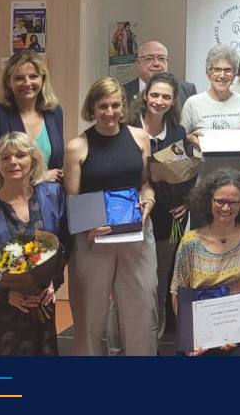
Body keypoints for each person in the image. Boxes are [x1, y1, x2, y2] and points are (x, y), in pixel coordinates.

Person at [64, 78, 157, 356]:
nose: (109, 112)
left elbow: (146, 183)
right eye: (103, 106)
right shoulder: (77, 147)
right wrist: (87, 225)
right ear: (92, 107)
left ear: (123, 106)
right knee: (89, 313)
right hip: (94, 237)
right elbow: (72, 197)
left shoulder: (140, 137)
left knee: (140, 308)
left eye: (115, 105)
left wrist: (149, 200)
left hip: (136, 233)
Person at [0, 133, 70, 356]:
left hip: (39, 308)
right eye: (5, 157)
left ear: (33, 160)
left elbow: (64, 245)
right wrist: (5, 294)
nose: (13, 162)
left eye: (20, 155)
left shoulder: (52, 197)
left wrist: (51, 283)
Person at [171, 168, 240, 356]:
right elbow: (178, 294)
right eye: (220, 201)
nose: (226, 208)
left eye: (233, 202)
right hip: (201, 330)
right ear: (209, 200)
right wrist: (192, 335)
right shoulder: (190, 242)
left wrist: (236, 329)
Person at [127, 72, 195, 340]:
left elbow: (184, 173)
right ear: (145, 96)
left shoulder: (177, 132)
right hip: (131, 214)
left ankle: (153, 340)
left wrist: (187, 201)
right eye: (154, 95)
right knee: (131, 282)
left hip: (168, 218)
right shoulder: (127, 127)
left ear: (174, 100)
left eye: (166, 97)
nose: (159, 101)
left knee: (160, 282)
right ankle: (129, 339)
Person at [0, 51, 64, 196]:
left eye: (33, 76)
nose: (27, 83)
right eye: (19, 78)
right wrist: (38, 178)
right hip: (5, 202)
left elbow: (56, 163)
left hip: (47, 201)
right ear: (8, 82)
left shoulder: (54, 112)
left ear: (43, 79)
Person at [124, 41, 197, 108]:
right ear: (138, 63)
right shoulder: (124, 92)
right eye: (149, 58)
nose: (156, 64)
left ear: (167, 62)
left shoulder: (187, 90)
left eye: (161, 58)